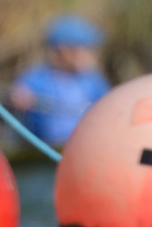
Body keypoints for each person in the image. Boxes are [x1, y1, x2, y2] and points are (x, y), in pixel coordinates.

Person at [5, 15, 111, 147]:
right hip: (45, 151)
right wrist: (17, 99)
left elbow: (109, 107)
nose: (93, 56)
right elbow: (16, 96)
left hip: (85, 147)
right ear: (63, 50)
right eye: (87, 49)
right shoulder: (37, 78)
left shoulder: (93, 80)